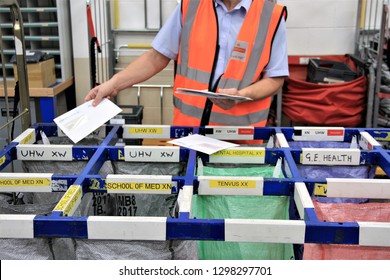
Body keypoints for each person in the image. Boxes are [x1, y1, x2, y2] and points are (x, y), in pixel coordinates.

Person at [85, 0, 288, 130]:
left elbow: (275, 78)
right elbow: (156, 57)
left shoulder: (271, 16)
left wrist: (244, 95)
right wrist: (113, 84)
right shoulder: (191, 6)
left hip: (240, 138)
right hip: (189, 134)